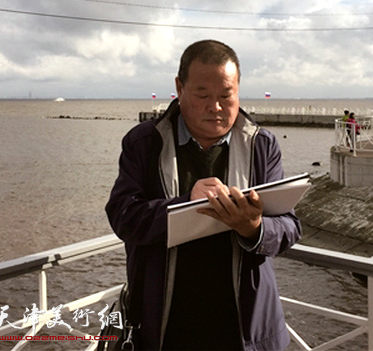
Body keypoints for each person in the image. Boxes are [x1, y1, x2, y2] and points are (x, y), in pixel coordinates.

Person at [105, 40, 301, 351]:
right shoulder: (145, 143)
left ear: (238, 90)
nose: (216, 107)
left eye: (226, 96)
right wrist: (186, 206)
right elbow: (123, 216)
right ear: (179, 88)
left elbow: (290, 227)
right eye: (203, 95)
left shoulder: (261, 145)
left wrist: (254, 228)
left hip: (245, 333)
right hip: (163, 331)